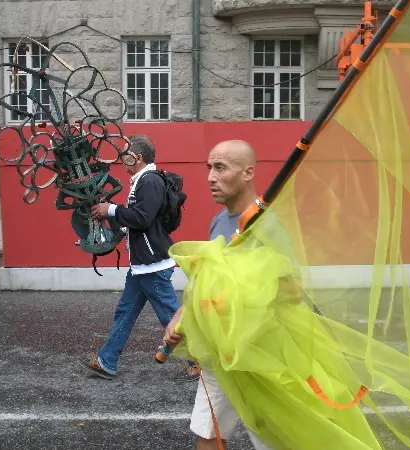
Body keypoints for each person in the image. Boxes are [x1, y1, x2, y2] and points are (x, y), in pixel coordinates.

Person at [163, 140, 273, 450]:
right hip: (219, 354)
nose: (211, 176)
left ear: (248, 172)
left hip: (257, 355)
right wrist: (183, 314)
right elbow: (206, 281)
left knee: (274, 439)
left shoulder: (267, 224)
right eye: (209, 167)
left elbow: (290, 291)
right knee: (208, 435)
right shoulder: (219, 221)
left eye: (221, 168)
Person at [78, 134, 200, 382]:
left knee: (170, 316)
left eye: (125, 153)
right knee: (125, 312)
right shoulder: (143, 180)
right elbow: (141, 221)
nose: (122, 157)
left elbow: (142, 217)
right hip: (143, 265)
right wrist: (102, 234)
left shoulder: (150, 181)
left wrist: (110, 210)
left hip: (152, 264)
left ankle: (199, 361)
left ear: (138, 157)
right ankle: (107, 361)